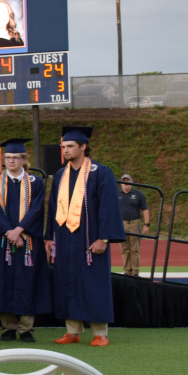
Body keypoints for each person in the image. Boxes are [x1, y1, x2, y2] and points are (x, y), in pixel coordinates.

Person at [47, 126, 125, 347]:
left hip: (89, 239)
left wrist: (104, 238)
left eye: (70, 146)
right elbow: (53, 207)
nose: (65, 150)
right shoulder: (61, 175)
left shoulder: (100, 172)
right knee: (66, 282)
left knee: (93, 283)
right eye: (63, 146)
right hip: (64, 238)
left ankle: (100, 333)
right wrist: (49, 237)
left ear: (83, 147)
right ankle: (72, 331)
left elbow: (109, 207)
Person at [0, 139, 51, 343]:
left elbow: (37, 209)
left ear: (24, 159)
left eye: (15, 157)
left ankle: (26, 328)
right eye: (8, 157)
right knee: (3, 280)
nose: (11, 161)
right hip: (3, 240)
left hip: (29, 241)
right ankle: (8, 327)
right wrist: (9, 232)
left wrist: (20, 230)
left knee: (29, 281)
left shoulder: (36, 182)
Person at [117, 174, 150, 276]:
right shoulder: (116, 193)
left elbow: (145, 209)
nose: (125, 183)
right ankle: (127, 271)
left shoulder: (138, 194)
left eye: (128, 180)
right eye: (124, 181)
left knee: (135, 249)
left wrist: (146, 224)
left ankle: (135, 271)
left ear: (131, 182)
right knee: (124, 249)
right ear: (121, 183)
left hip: (134, 223)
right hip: (121, 224)